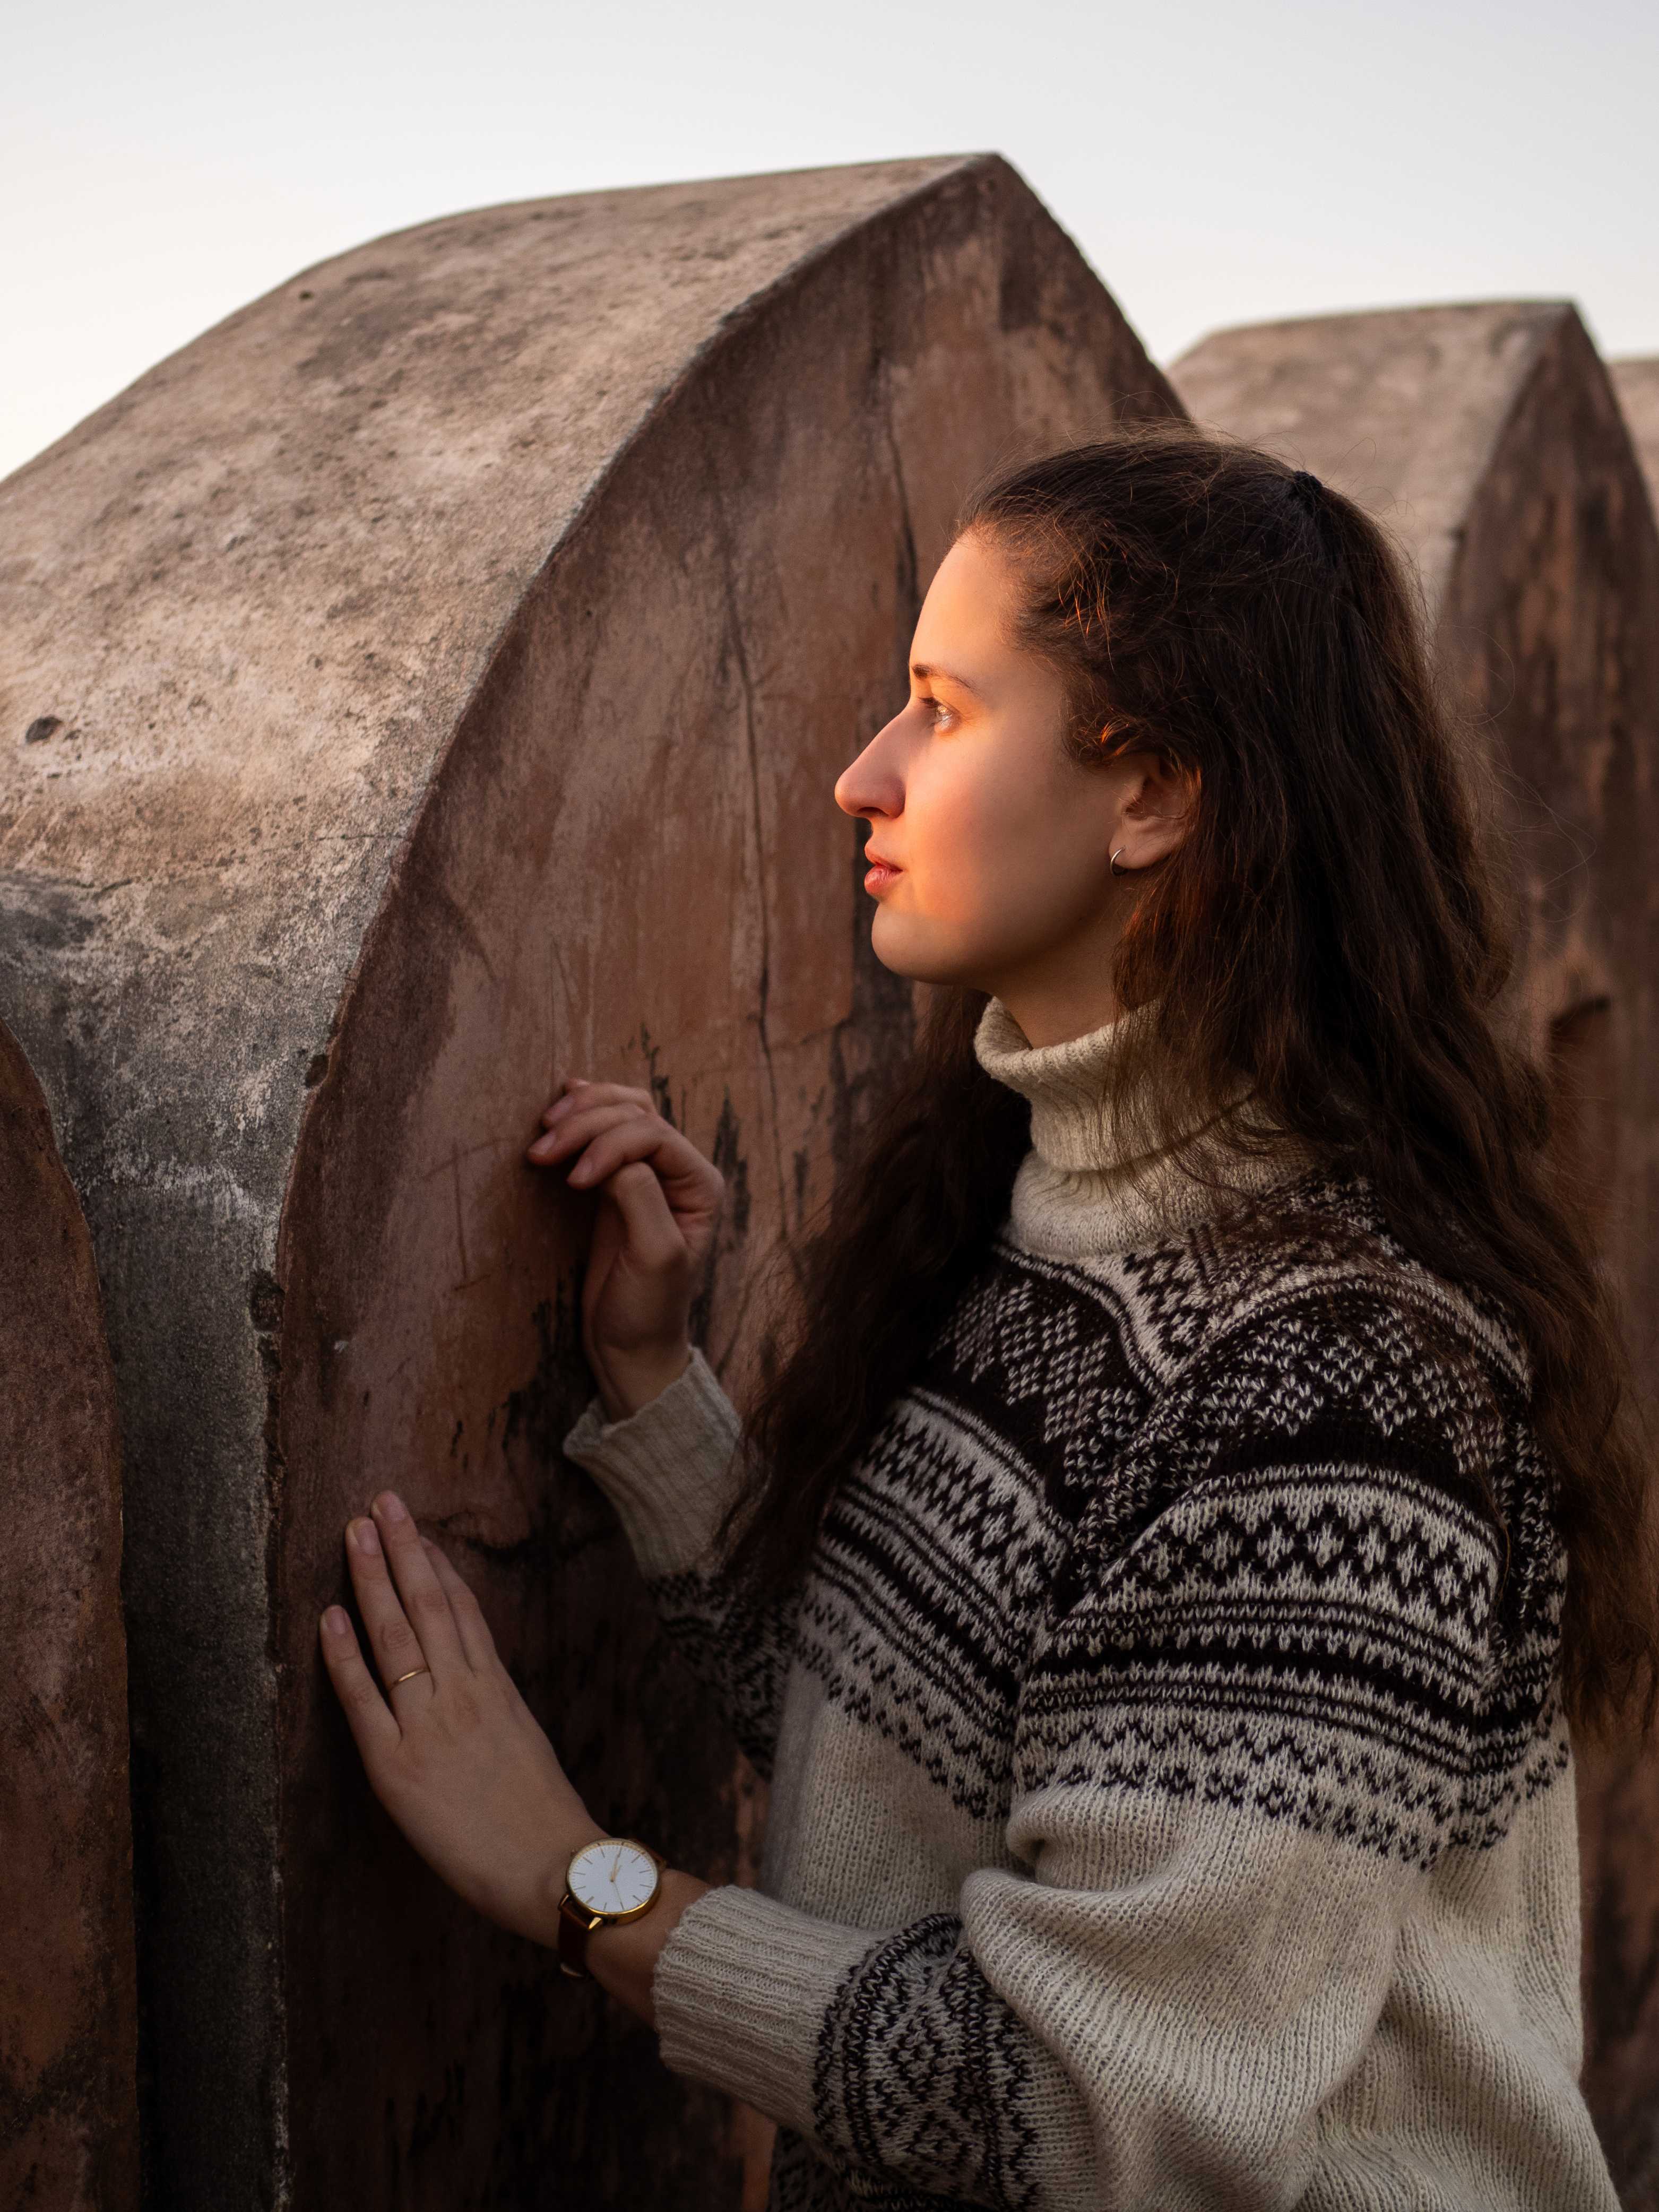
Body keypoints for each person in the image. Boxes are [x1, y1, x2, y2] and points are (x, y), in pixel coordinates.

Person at [319, 426, 1658, 2209]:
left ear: (1155, 789)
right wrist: (653, 1386)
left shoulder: (1337, 1390)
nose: (858, 777)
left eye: (943, 709)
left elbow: (1099, 2102)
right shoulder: (1048, 1207)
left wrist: (576, 1882)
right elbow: (919, 1755)